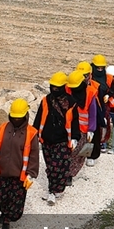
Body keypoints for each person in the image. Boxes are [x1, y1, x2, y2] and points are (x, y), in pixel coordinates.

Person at [0, 99, 40, 229]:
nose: (16, 120)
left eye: (19, 118)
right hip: (0, 172)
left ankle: (7, 219)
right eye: (14, 117)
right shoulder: (2, 128)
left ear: (25, 116)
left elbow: (34, 155)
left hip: (19, 175)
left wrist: (31, 173)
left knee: (15, 202)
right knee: (0, 197)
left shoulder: (31, 133)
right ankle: (4, 212)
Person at [34, 72, 80, 205]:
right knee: (50, 167)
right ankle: (55, 189)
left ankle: (52, 192)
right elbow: (39, 118)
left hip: (63, 140)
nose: (54, 89)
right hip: (47, 139)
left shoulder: (71, 103)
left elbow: (74, 121)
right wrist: (34, 134)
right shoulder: (46, 100)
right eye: (52, 87)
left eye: (57, 87)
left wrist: (75, 137)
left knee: (58, 167)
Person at [66, 69, 97, 179]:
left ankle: (70, 175)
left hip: (83, 129)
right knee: (67, 151)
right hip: (68, 128)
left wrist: (91, 129)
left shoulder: (90, 92)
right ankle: (64, 174)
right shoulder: (67, 90)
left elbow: (93, 113)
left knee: (78, 153)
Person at [90, 55, 112, 158]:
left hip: (103, 106)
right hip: (91, 104)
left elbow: (112, 89)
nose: (99, 70)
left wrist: (108, 95)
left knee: (99, 129)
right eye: (97, 67)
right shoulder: (89, 77)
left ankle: (95, 152)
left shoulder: (108, 78)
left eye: (101, 67)